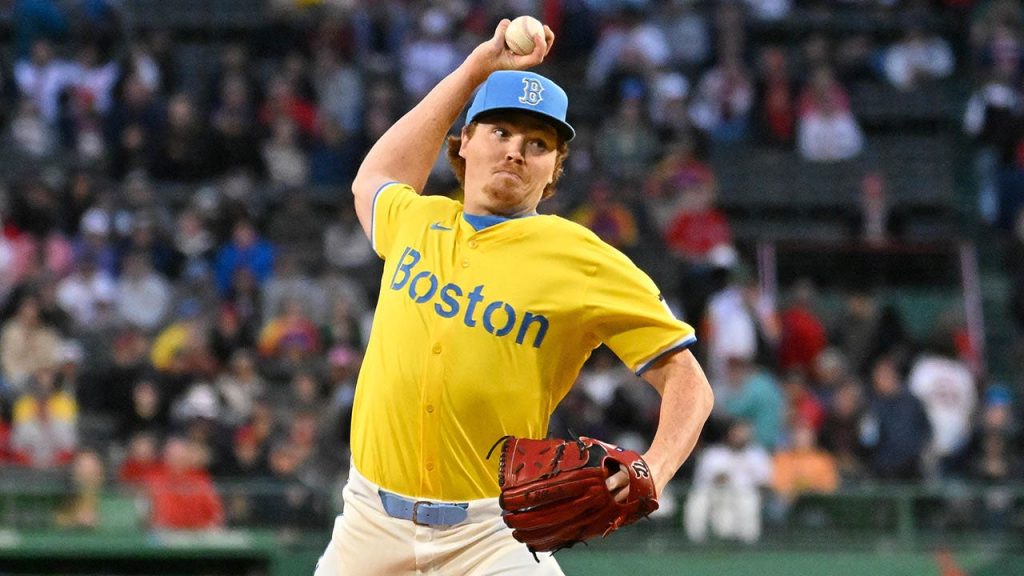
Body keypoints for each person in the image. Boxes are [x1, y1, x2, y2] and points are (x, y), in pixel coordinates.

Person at [314, 19, 714, 576]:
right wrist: (474, 70)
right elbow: (374, 176)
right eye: (499, 132)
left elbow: (688, 381)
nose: (516, 152)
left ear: (553, 175)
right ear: (463, 144)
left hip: (491, 536)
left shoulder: (581, 257)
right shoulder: (418, 219)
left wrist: (656, 467)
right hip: (368, 523)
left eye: (538, 144)